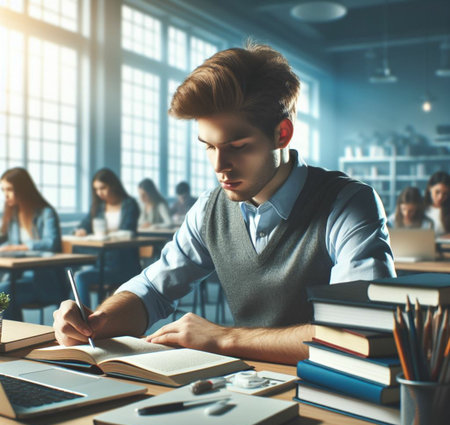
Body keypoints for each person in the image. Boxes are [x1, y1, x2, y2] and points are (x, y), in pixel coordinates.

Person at [53, 44, 395, 364]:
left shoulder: (348, 203)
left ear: (282, 134)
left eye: (237, 146)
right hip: (244, 389)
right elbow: (153, 290)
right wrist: (96, 322)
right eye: (209, 146)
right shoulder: (210, 209)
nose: (219, 166)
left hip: (332, 395)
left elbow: (360, 333)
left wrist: (224, 339)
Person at [0, 167, 66, 320]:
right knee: (5, 291)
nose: (5, 195)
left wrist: (18, 247)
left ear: (22, 189)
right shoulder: (13, 214)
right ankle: (14, 336)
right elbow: (4, 238)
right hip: (19, 278)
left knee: (3, 293)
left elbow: (51, 243)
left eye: (9, 189)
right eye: (3, 190)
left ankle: (14, 337)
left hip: (45, 281)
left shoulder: (46, 213)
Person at [73, 168, 141, 307]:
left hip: (124, 266)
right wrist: (80, 230)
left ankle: (85, 321)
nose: (99, 193)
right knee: (74, 276)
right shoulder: (99, 207)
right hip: (103, 263)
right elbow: (84, 225)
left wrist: (105, 236)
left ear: (113, 185)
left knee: (80, 277)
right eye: (96, 189)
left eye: (103, 188)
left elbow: (128, 231)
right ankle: (81, 319)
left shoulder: (129, 204)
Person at [424, 171, 450, 236]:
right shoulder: (421, 207)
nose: (440, 197)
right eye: (437, 192)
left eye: (445, 194)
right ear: (430, 188)